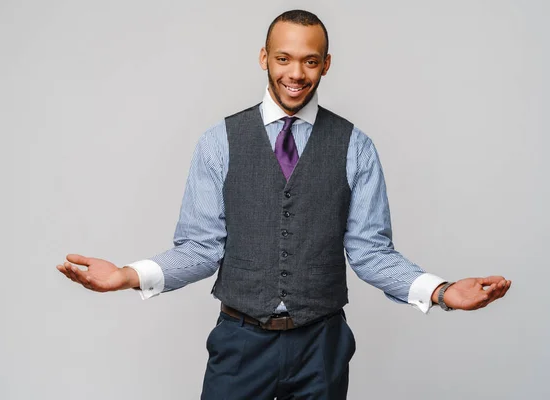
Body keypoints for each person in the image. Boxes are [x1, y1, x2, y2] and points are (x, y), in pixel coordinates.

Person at [56, 9, 511, 399]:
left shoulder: (356, 146)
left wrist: (441, 291)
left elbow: (371, 251)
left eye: (310, 61)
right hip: (240, 342)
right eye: (283, 59)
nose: (296, 74)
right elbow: (200, 248)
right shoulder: (220, 142)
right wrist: (126, 276)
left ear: (326, 64)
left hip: (322, 344)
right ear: (263, 59)